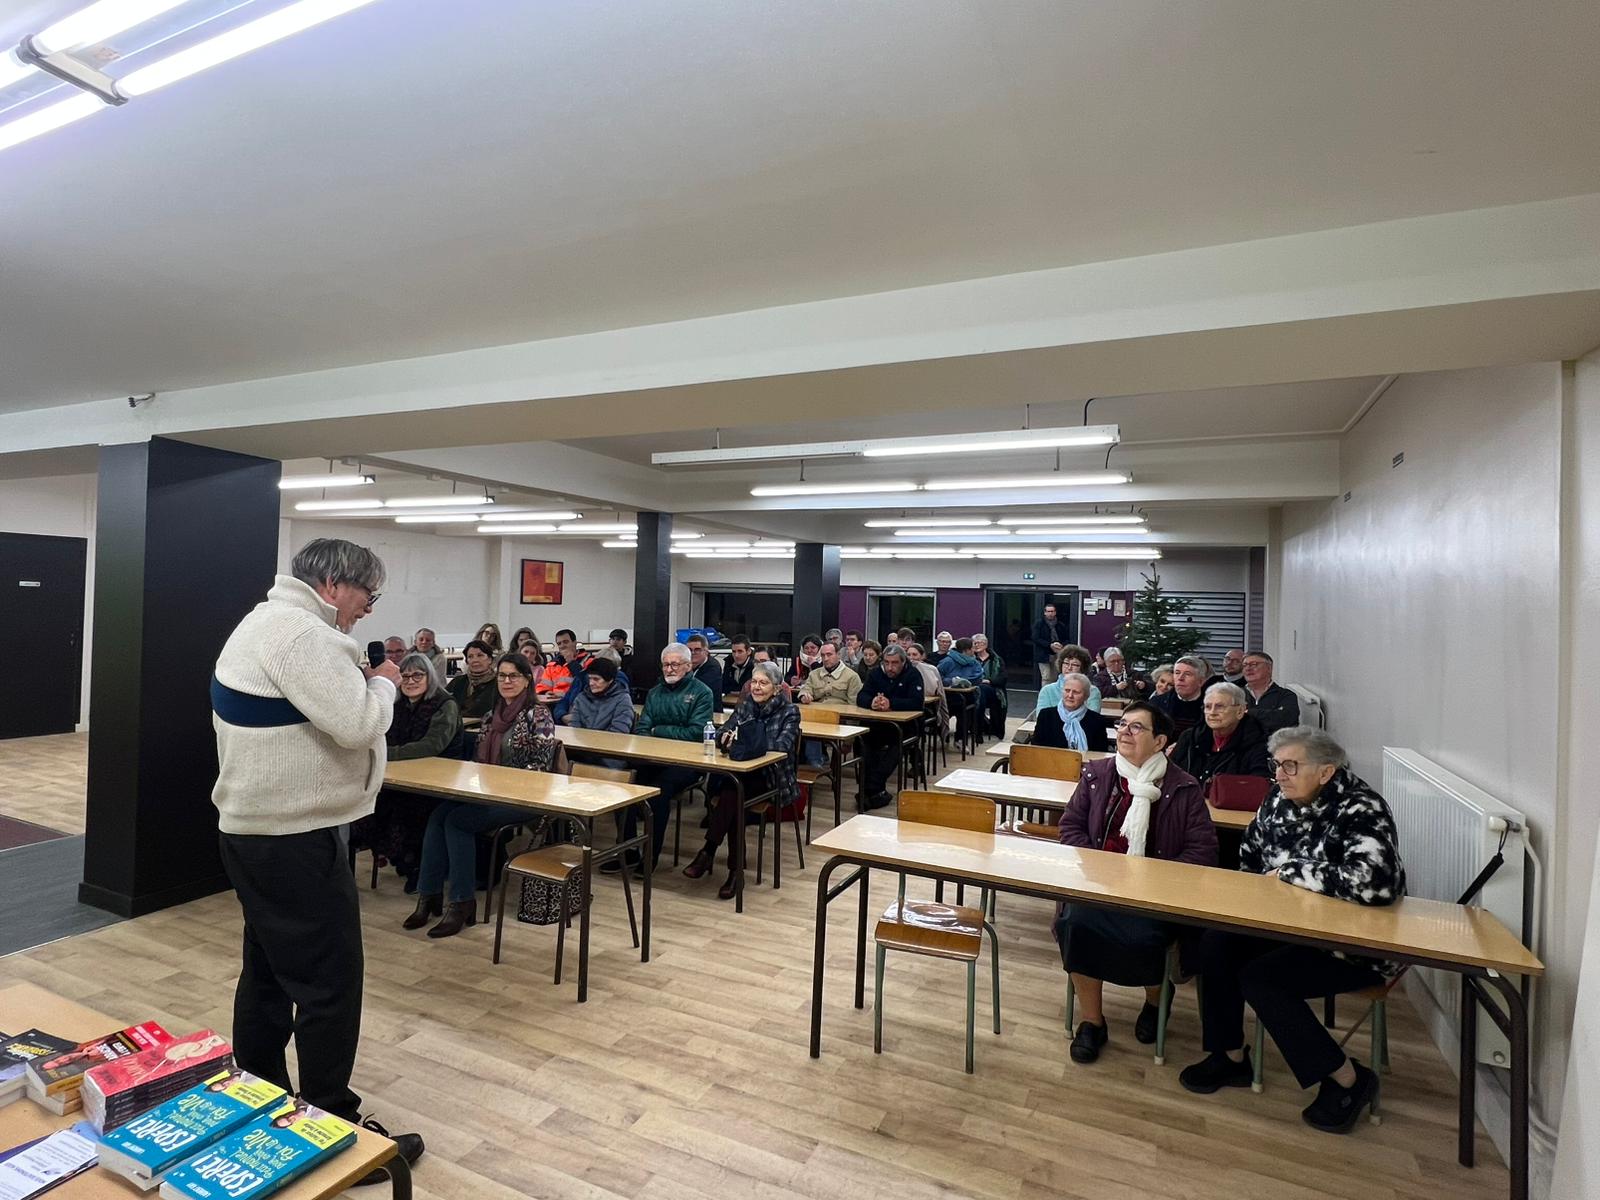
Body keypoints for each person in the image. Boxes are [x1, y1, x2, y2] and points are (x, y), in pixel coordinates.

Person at [209, 537, 423, 1177]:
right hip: (294, 838)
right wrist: (383, 684)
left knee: (269, 975)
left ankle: (261, 1100)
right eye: (367, 594)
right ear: (333, 585)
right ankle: (332, 1123)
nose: (368, 609)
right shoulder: (303, 634)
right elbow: (359, 724)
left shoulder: (265, 622)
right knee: (331, 983)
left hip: (259, 832)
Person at [1179, 727, 1405, 1135]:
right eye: (1276, 765)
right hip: (1285, 926)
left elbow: (1376, 883)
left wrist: (1292, 872)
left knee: (1262, 979)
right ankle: (1230, 1055)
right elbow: (1251, 854)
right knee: (1216, 943)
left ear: (1325, 771)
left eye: (1290, 765)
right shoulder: (1278, 799)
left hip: (1348, 943)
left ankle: (1348, 1078)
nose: (1279, 775)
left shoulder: (1362, 807)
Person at [1056, 701, 1216, 1064]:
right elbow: (1071, 827)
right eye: (1123, 725)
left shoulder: (1184, 787)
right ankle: (1092, 1022)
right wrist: (1099, 868)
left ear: (1160, 741)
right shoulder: (1098, 774)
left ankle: (1157, 1000)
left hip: (1155, 896)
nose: (1125, 732)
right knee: (1075, 924)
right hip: (1099, 886)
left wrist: (1150, 881)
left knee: (1145, 937)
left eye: (1136, 727)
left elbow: (1202, 852)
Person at [405, 654, 565, 939]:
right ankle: (429, 896)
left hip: (525, 797)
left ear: (527, 680)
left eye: (513, 676)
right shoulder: (492, 716)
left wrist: (499, 784)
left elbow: (540, 769)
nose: (506, 681)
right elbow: (479, 762)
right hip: (489, 792)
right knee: (438, 815)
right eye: (502, 675)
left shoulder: (538, 715)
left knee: (458, 822)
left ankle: (462, 902)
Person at [683, 661, 801, 899]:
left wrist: (744, 743)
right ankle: (735, 873)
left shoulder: (789, 711)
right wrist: (725, 737)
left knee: (733, 794)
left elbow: (782, 746)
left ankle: (708, 851)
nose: (756, 687)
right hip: (739, 775)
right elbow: (722, 732)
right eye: (754, 682)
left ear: (777, 688)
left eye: (763, 683)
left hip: (771, 777)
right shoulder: (746, 705)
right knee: (734, 795)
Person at [350, 654, 464, 891]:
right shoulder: (397, 704)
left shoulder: (445, 704)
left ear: (430, 677)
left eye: (418, 675)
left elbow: (431, 746)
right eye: (406, 676)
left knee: (408, 810)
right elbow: (382, 734)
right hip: (402, 775)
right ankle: (398, 858)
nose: (411, 681)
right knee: (369, 803)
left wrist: (386, 753)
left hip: (438, 778)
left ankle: (417, 867)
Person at [619, 643, 715, 873]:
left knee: (659, 794)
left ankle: (650, 856)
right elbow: (642, 729)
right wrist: (655, 734)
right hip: (653, 758)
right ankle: (627, 851)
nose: (670, 669)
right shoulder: (655, 693)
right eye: (666, 665)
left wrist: (658, 730)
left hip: (687, 762)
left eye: (675, 664)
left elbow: (696, 732)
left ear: (688, 666)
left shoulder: (702, 692)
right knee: (623, 784)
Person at [855, 644, 925, 809]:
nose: (889, 667)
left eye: (894, 663)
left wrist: (891, 703)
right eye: (886, 663)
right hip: (878, 724)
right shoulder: (875, 673)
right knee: (862, 741)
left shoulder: (913, 674)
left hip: (905, 726)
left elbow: (916, 703)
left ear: (903, 662)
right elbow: (861, 696)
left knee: (894, 747)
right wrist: (871, 702)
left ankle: (870, 789)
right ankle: (875, 792)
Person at [1170, 682, 1270, 789]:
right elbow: (1169, 774)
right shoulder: (1189, 737)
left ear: (1240, 711)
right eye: (1208, 707)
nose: (1212, 713)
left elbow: (1257, 787)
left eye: (1219, 707)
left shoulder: (1258, 743)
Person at [1030, 672, 1111, 752]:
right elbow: (1036, 748)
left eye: (1076, 692)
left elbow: (1101, 753)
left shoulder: (1097, 721)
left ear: (1086, 696)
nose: (1070, 695)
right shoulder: (1046, 715)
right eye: (1067, 690)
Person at [1241, 650, 1301, 735]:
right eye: (1245, 665)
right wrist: (1269, 715)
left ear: (1269, 668)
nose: (1248, 668)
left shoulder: (1285, 695)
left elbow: (1286, 720)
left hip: (1275, 742)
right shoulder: (1235, 694)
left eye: (1254, 664)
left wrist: (1249, 712)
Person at [1036, 645, 1103, 715]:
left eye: (1074, 664)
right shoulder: (1047, 690)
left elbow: (1092, 718)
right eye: (1066, 663)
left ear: (1083, 668)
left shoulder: (1092, 691)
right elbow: (1041, 717)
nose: (1069, 668)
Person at [1151, 655, 1207, 737]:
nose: (1180, 678)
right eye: (1177, 673)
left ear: (1201, 681)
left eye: (1187, 674)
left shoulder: (1210, 706)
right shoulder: (1156, 703)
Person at [446, 639, 498, 721]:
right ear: (467, 662)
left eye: (480, 655)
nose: (475, 660)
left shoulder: (499, 684)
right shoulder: (457, 682)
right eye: (470, 657)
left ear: (490, 659)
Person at [798, 638, 858, 705]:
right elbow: (806, 690)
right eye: (823, 655)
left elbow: (854, 704)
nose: (825, 659)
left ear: (838, 655)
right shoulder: (813, 674)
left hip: (840, 710)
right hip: (817, 709)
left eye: (829, 655)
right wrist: (804, 696)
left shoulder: (852, 676)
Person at [906, 642, 948, 738]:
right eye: (908, 654)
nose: (911, 658)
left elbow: (936, 692)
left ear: (922, 656)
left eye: (914, 654)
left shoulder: (931, 669)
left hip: (927, 706)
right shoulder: (902, 669)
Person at [971, 633, 1008, 738]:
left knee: (982, 689)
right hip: (973, 689)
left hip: (993, 690)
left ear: (986, 644)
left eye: (979, 643)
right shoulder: (970, 659)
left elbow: (1003, 678)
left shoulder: (996, 660)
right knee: (979, 692)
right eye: (975, 643)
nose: (977, 645)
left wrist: (989, 681)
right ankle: (978, 726)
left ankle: (979, 728)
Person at [683, 632, 725, 710]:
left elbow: (698, 690)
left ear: (706, 651)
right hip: (689, 708)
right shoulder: (685, 664)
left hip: (710, 710)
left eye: (697, 650)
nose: (692, 653)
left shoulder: (713, 667)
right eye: (689, 650)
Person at [1032, 603, 1070, 687]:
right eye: (1048, 611)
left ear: (1055, 612)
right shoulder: (1039, 624)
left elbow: (1066, 639)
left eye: (1052, 611)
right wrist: (1050, 645)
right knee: (1046, 676)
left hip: (1057, 654)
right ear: (1045, 613)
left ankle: (1053, 693)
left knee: (1055, 676)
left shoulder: (1060, 625)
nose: (1050, 613)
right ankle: (1045, 693)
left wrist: (1061, 645)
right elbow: (1035, 638)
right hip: (1043, 654)